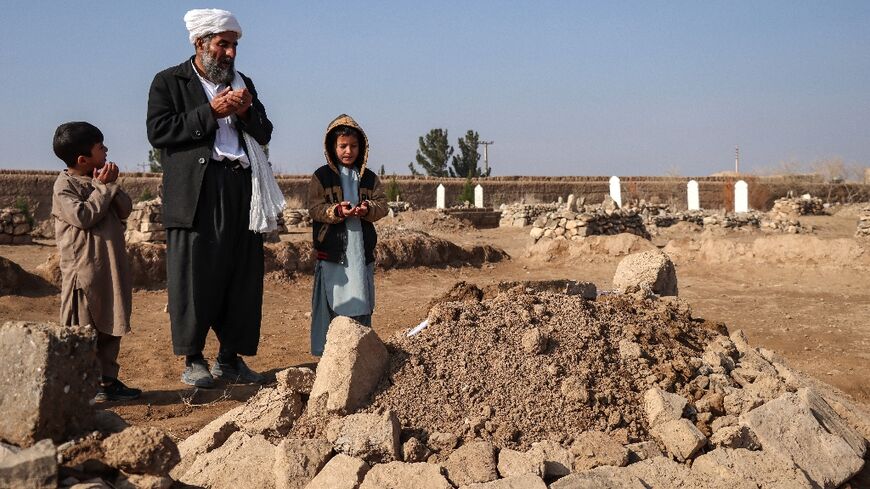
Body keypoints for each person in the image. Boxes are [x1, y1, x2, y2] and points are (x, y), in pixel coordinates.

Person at [146, 9, 278, 387]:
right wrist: (210, 112)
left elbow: (264, 132)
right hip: (197, 193)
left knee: (241, 274)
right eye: (223, 45)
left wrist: (246, 111)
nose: (230, 53)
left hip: (241, 188)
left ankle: (229, 358)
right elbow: (159, 131)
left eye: (234, 46)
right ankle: (194, 359)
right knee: (195, 275)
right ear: (200, 43)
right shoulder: (169, 81)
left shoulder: (242, 83)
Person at [51, 121, 141, 402]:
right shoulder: (64, 187)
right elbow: (83, 216)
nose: (106, 150)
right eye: (100, 147)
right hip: (84, 274)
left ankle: (107, 381)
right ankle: (81, 387)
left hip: (110, 269)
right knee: (84, 330)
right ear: (82, 158)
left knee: (111, 322)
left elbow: (125, 209)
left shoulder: (98, 179)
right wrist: (102, 187)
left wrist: (110, 184)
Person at [308, 114, 389, 355]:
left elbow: (382, 205)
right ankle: (329, 355)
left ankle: (359, 351)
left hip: (360, 253)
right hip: (333, 253)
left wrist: (367, 210)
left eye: (353, 146)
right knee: (332, 301)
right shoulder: (321, 177)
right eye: (343, 146)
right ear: (332, 147)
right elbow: (314, 208)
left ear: (361, 147)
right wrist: (336, 211)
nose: (348, 151)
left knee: (362, 298)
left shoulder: (369, 178)